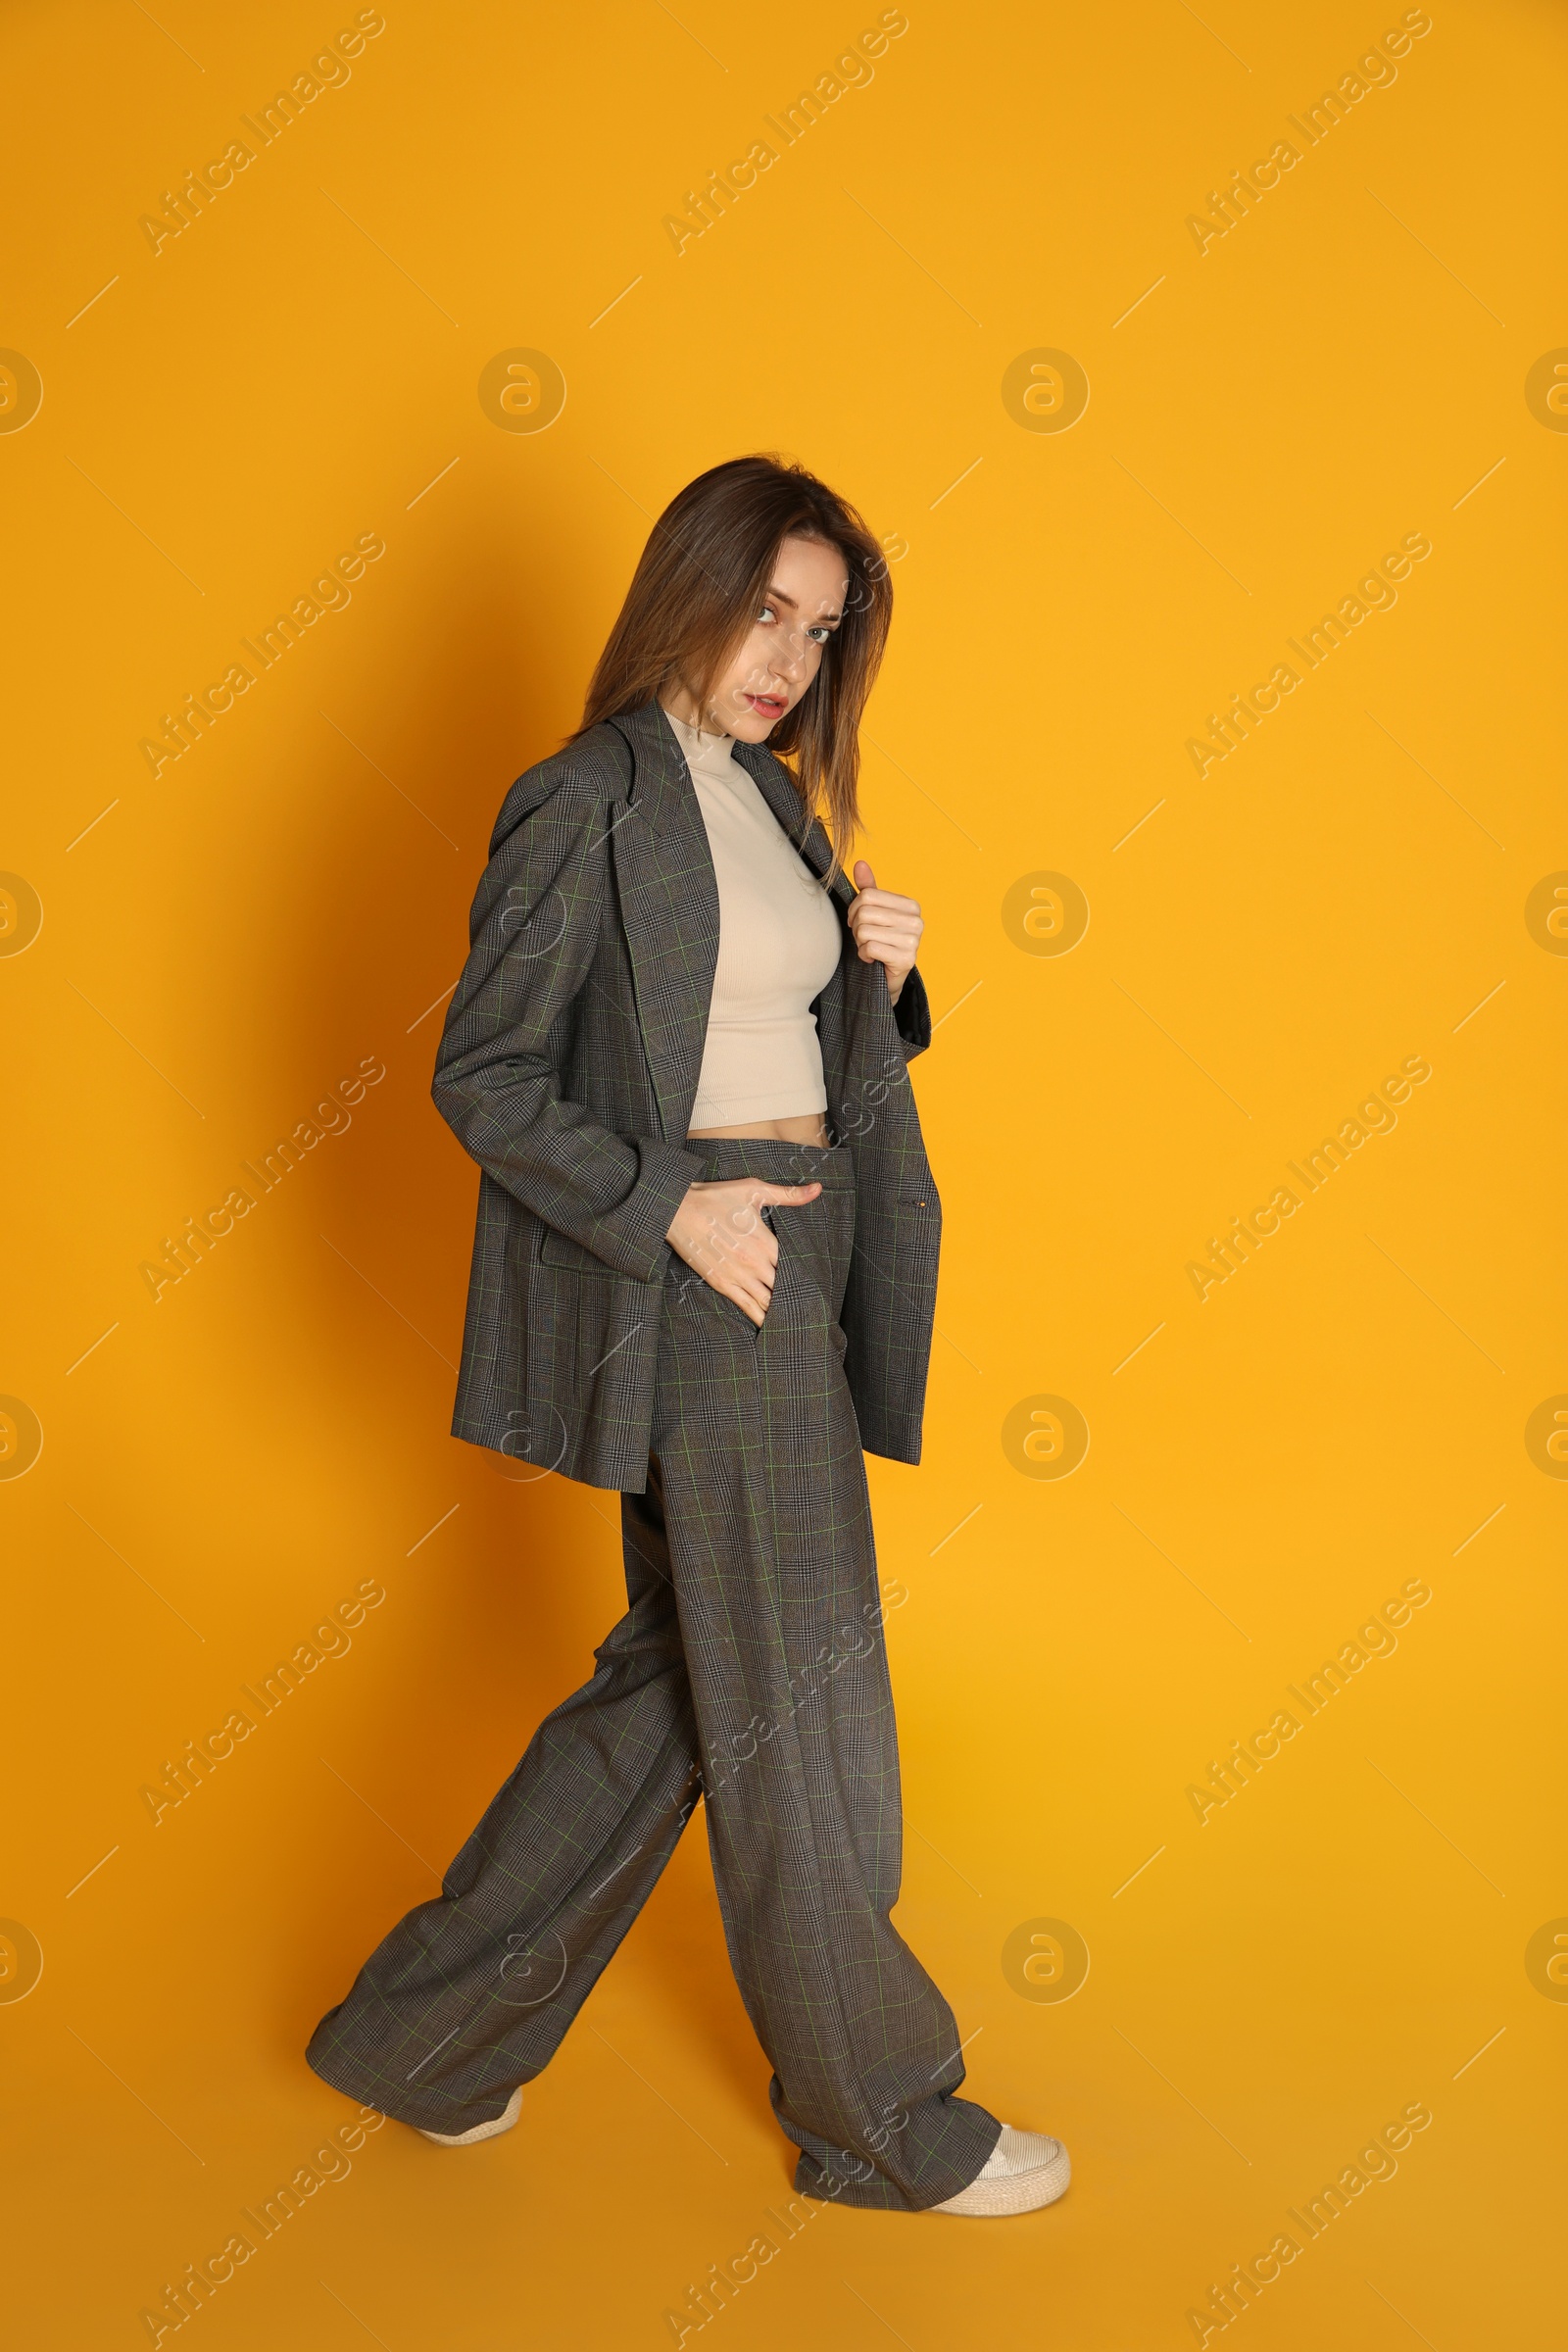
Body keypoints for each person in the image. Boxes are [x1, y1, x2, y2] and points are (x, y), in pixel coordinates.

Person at [305, 453, 1070, 2217]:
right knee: (803, 1700)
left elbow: (772, 1038)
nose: (789, 656)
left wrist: (877, 980)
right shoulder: (587, 796)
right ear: (687, 589)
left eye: (819, 629)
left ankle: (422, 2043)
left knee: (685, 1682)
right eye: (766, 610)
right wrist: (669, 1208)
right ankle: (883, 2119)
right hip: (709, 1264)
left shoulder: (773, 797)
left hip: (791, 1245)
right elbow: (483, 1073)